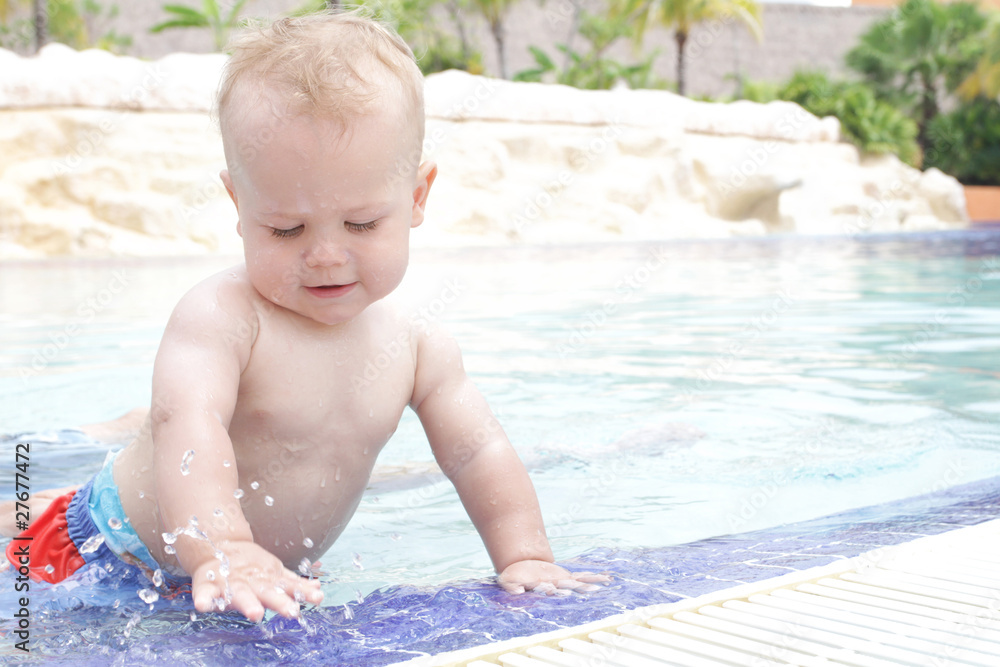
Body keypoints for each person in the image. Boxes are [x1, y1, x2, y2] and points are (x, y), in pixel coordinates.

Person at [3, 11, 607, 622]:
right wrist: (228, 547)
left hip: (256, 571)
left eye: (362, 224)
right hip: (105, 556)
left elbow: (478, 454)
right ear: (239, 206)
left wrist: (525, 556)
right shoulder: (222, 317)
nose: (325, 255)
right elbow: (187, 423)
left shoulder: (420, 346)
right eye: (286, 228)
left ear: (417, 197)